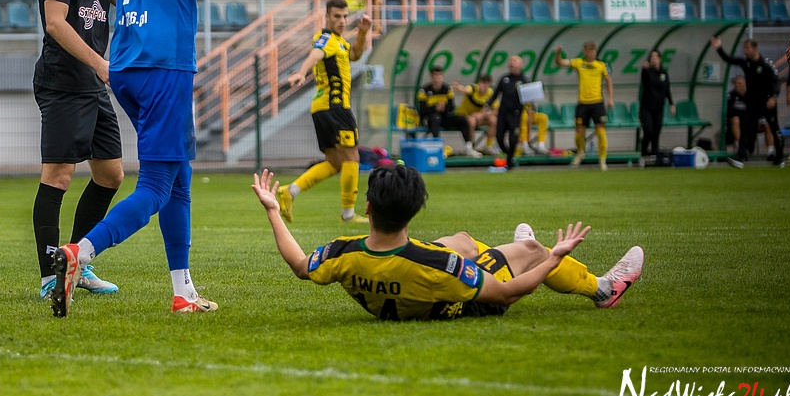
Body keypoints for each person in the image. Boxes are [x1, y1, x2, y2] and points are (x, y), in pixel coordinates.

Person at [0, 0, 299, 317]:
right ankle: (78, 254)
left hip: (125, 67)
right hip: (163, 65)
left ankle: (183, 290)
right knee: (155, 186)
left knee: (178, 178)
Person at [251, 165, 645, 321]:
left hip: (395, 278)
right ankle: (603, 289)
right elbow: (506, 295)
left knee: (460, 241)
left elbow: (301, 265)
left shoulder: (343, 251)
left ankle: (515, 253)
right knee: (532, 251)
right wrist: (551, 259)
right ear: (413, 212)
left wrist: (273, 210)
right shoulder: (440, 266)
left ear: (367, 208)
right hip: (453, 302)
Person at [32, 0, 123, 301]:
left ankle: (76, 262)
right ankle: (50, 277)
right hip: (63, 83)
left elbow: (123, 6)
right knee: (59, 175)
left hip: (92, 83)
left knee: (110, 175)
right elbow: (55, 24)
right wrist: (100, 64)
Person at [275, 0, 372, 225]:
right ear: (327, 17)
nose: (342, 20)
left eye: (345, 16)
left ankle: (290, 191)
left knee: (336, 163)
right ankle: (348, 214)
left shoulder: (339, 42)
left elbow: (355, 54)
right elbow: (316, 54)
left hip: (322, 108)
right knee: (352, 158)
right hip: (335, 106)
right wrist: (302, 72)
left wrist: (362, 32)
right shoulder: (326, 39)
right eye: (337, 16)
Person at [710, 36, 784, 168]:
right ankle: (740, 157)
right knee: (746, 128)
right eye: (744, 48)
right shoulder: (746, 63)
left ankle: (779, 157)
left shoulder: (765, 64)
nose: (745, 51)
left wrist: (774, 97)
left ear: (755, 48)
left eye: (747, 48)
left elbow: (777, 81)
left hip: (767, 102)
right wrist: (719, 48)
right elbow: (729, 59)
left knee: (774, 129)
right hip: (752, 102)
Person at [554, 41, 614, 170]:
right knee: (579, 131)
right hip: (583, 103)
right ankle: (580, 152)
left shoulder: (601, 65)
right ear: (584, 52)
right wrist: (558, 53)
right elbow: (560, 62)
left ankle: (602, 160)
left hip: (597, 102)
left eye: (593, 51)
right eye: (588, 50)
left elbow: (608, 80)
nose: (591, 53)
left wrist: (610, 98)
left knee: (601, 131)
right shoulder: (579, 63)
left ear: (595, 52)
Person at [417, 66, 481, 157]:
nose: (437, 78)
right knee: (435, 118)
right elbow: (422, 109)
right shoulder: (424, 90)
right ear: (431, 77)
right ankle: (439, 148)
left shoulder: (447, 89)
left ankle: (469, 147)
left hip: (444, 117)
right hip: (430, 119)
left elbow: (451, 107)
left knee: (462, 119)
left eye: (439, 75)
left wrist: (444, 107)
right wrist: (435, 108)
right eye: (435, 76)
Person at [485, 56, 531, 169]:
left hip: (515, 114)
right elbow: (496, 93)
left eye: (514, 61)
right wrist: (488, 104)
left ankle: (509, 162)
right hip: (503, 113)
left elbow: (532, 96)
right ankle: (509, 156)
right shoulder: (504, 78)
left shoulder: (525, 80)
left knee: (513, 139)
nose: (511, 63)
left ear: (521, 65)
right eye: (510, 61)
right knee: (499, 138)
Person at [638, 50, 675, 162]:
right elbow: (644, 80)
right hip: (646, 108)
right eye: (652, 57)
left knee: (656, 132)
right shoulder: (647, 72)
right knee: (648, 130)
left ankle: (655, 155)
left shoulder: (664, 73)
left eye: (656, 57)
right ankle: (643, 153)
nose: (654, 59)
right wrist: (644, 69)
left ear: (660, 59)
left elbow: (667, 89)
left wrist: (671, 103)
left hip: (659, 108)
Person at [451, 75, 496, 152]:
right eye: (481, 83)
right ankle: (470, 148)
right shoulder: (473, 89)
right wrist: (458, 87)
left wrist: (482, 114)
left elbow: (496, 110)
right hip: (463, 116)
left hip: (478, 117)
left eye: (486, 85)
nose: (483, 87)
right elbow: (465, 90)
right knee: (472, 121)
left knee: (493, 120)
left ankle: (489, 147)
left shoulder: (490, 93)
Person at [725, 75, 747, 153]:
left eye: (739, 83)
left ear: (744, 84)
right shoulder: (731, 95)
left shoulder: (750, 95)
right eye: (735, 83)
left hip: (748, 120)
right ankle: (739, 146)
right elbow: (729, 112)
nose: (737, 85)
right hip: (736, 121)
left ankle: (770, 151)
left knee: (766, 124)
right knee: (735, 120)